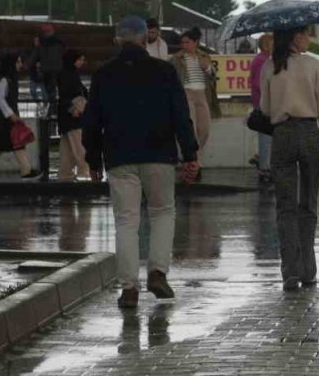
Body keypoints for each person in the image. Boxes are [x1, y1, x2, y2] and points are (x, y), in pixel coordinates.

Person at [83, 16, 199, 309]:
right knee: (162, 213)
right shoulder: (164, 71)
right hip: (159, 154)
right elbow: (180, 115)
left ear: (117, 41)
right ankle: (158, 273)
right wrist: (190, 155)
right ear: (144, 39)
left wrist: (93, 160)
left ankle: (129, 288)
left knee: (126, 221)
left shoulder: (103, 74)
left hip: (120, 157)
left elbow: (92, 122)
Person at [260, 26, 319, 291]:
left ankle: (290, 272)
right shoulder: (314, 66)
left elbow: (266, 110)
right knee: (308, 204)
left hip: (281, 135)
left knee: (285, 206)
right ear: (295, 37)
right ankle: (309, 271)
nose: (309, 39)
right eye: (305, 34)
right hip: (309, 135)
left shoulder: (270, 67)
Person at [0, 54, 42, 182]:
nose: (20, 65)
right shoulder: (5, 80)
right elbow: (0, 99)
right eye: (17, 62)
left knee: (15, 145)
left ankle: (26, 171)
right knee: (8, 146)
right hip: (3, 121)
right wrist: (11, 114)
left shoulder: (10, 79)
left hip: (7, 121)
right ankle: (24, 171)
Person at [172, 27, 214, 165]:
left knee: (204, 128)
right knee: (192, 127)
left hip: (202, 93)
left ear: (195, 42)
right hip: (186, 93)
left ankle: (192, 154)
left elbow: (214, 75)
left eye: (187, 42)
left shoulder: (203, 56)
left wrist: (207, 68)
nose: (185, 45)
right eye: (182, 43)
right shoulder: (177, 58)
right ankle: (194, 160)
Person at [56, 49, 92, 182]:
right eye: (80, 59)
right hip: (73, 116)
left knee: (67, 149)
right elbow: (65, 95)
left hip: (68, 116)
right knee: (79, 145)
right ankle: (85, 172)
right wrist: (73, 108)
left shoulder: (70, 73)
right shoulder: (67, 75)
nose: (82, 62)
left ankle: (65, 174)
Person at [249, 33, 275, 183]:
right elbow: (259, 84)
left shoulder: (263, 59)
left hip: (264, 103)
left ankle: (261, 159)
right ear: (266, 44)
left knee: (268, 136)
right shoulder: (262, 60)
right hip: (264, 104)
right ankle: (264, 168)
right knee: (266, 137)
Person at [33, 24, 66, 104]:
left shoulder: (43, 43)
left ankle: (52, 106)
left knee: (50, 89)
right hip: (55, 68)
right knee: (52, 89)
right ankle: (53, 106)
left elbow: (37, 55)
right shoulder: (58, 42)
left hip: (48, 69)